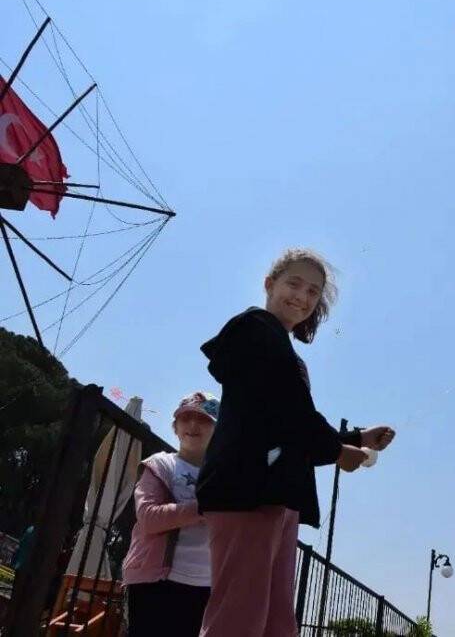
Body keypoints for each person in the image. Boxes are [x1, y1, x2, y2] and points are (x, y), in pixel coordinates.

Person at [196, 247, 395, 637]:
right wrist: (339, 451)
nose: (302, 297)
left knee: (276, 622)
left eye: (313, 292)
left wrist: (356, 438)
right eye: (294, 283)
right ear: (269, 284)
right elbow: (290, 410)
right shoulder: (255, 328)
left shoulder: (281, 348)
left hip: (276, 495)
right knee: (238, 619)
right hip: (248, 489)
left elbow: (287, 422)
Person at [122, 392, 219, 636]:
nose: (193, 425)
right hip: (154, 581)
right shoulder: (160, 465)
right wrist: (204, 507)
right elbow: (148, 518)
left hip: (205, 585)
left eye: (204, 419)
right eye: (185, 418)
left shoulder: (224, 477)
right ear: (175, 427)